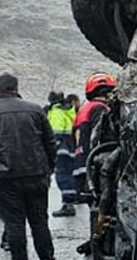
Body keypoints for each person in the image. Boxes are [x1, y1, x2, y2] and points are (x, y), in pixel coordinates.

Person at [0, 73, 60, 260]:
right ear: (16, 87)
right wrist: (50, 165)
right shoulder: (35, 109)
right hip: (36, 172)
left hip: (3, 176)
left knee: (14, 223)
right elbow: (49, 141)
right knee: (40, 221)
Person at [73, 73, 116, 207]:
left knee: (95, 208)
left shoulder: (84, 109)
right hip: (95, 166)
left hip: (81, 165)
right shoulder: (100, 108)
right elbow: (100, 139)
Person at [44, 90, 79, 216]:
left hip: (61, 149)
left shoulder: (57, 111)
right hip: (70, 148)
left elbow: (56, 133)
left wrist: (52, 150)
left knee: (62, 176)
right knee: (69, 174)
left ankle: (68, 204)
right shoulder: (70, 110)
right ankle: (71, 200)